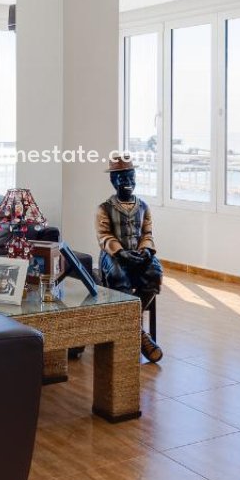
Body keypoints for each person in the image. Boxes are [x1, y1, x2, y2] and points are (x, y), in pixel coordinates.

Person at [95, 154, 163, 362]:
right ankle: (140, 334)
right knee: (118, 276)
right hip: (114, 256)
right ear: (113, 180)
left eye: (131, 177)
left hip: (138, 253)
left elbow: (147, 234)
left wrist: (146, 250)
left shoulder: (143, 207)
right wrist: (120, 252)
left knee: (154, 273)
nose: (128, 182)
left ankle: (129, 319)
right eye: (122, 178)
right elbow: (104, 236)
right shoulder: (104, 208)